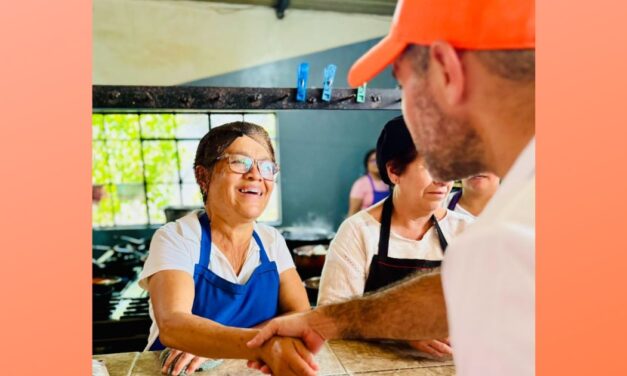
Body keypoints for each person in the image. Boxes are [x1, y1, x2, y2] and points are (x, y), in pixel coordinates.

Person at [247, 1, 535, 375]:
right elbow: (457, 292)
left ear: (447, 72)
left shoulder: (505, 233)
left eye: (403, 86)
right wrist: (330, 320)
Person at [138, 121, 318, 376]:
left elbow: (300, 315)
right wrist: (258, 342)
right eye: (240, 162)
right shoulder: (176, 237)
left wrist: (216, 346)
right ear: (203, 176)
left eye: (266, 167)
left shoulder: (271, 240)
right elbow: (174, 324)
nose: (256, 174)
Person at [318, 116, 473, 358]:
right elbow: (329, 317)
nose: (443, 178)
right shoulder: (358, 231)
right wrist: (399, 329)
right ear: (393, 171)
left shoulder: (466, 231)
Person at [347, 149, 390, 216]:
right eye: (373, 160)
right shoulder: (361, 184)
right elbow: (352, 213)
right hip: (366, 225)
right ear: (367, 164)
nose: (377, 163)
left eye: (379, 160)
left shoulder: (390, 182)